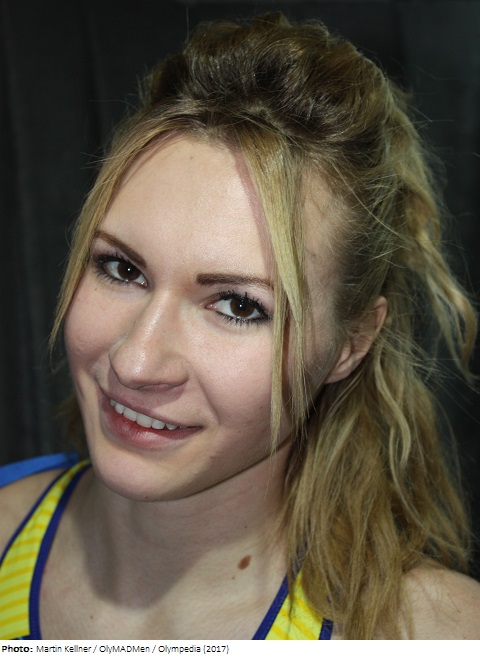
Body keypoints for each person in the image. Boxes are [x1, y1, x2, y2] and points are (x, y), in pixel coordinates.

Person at [0, 11, 479, 641]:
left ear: (351, 342)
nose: (135, 362)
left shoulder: (436, 634)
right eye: (122, 268)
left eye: (237, 306)